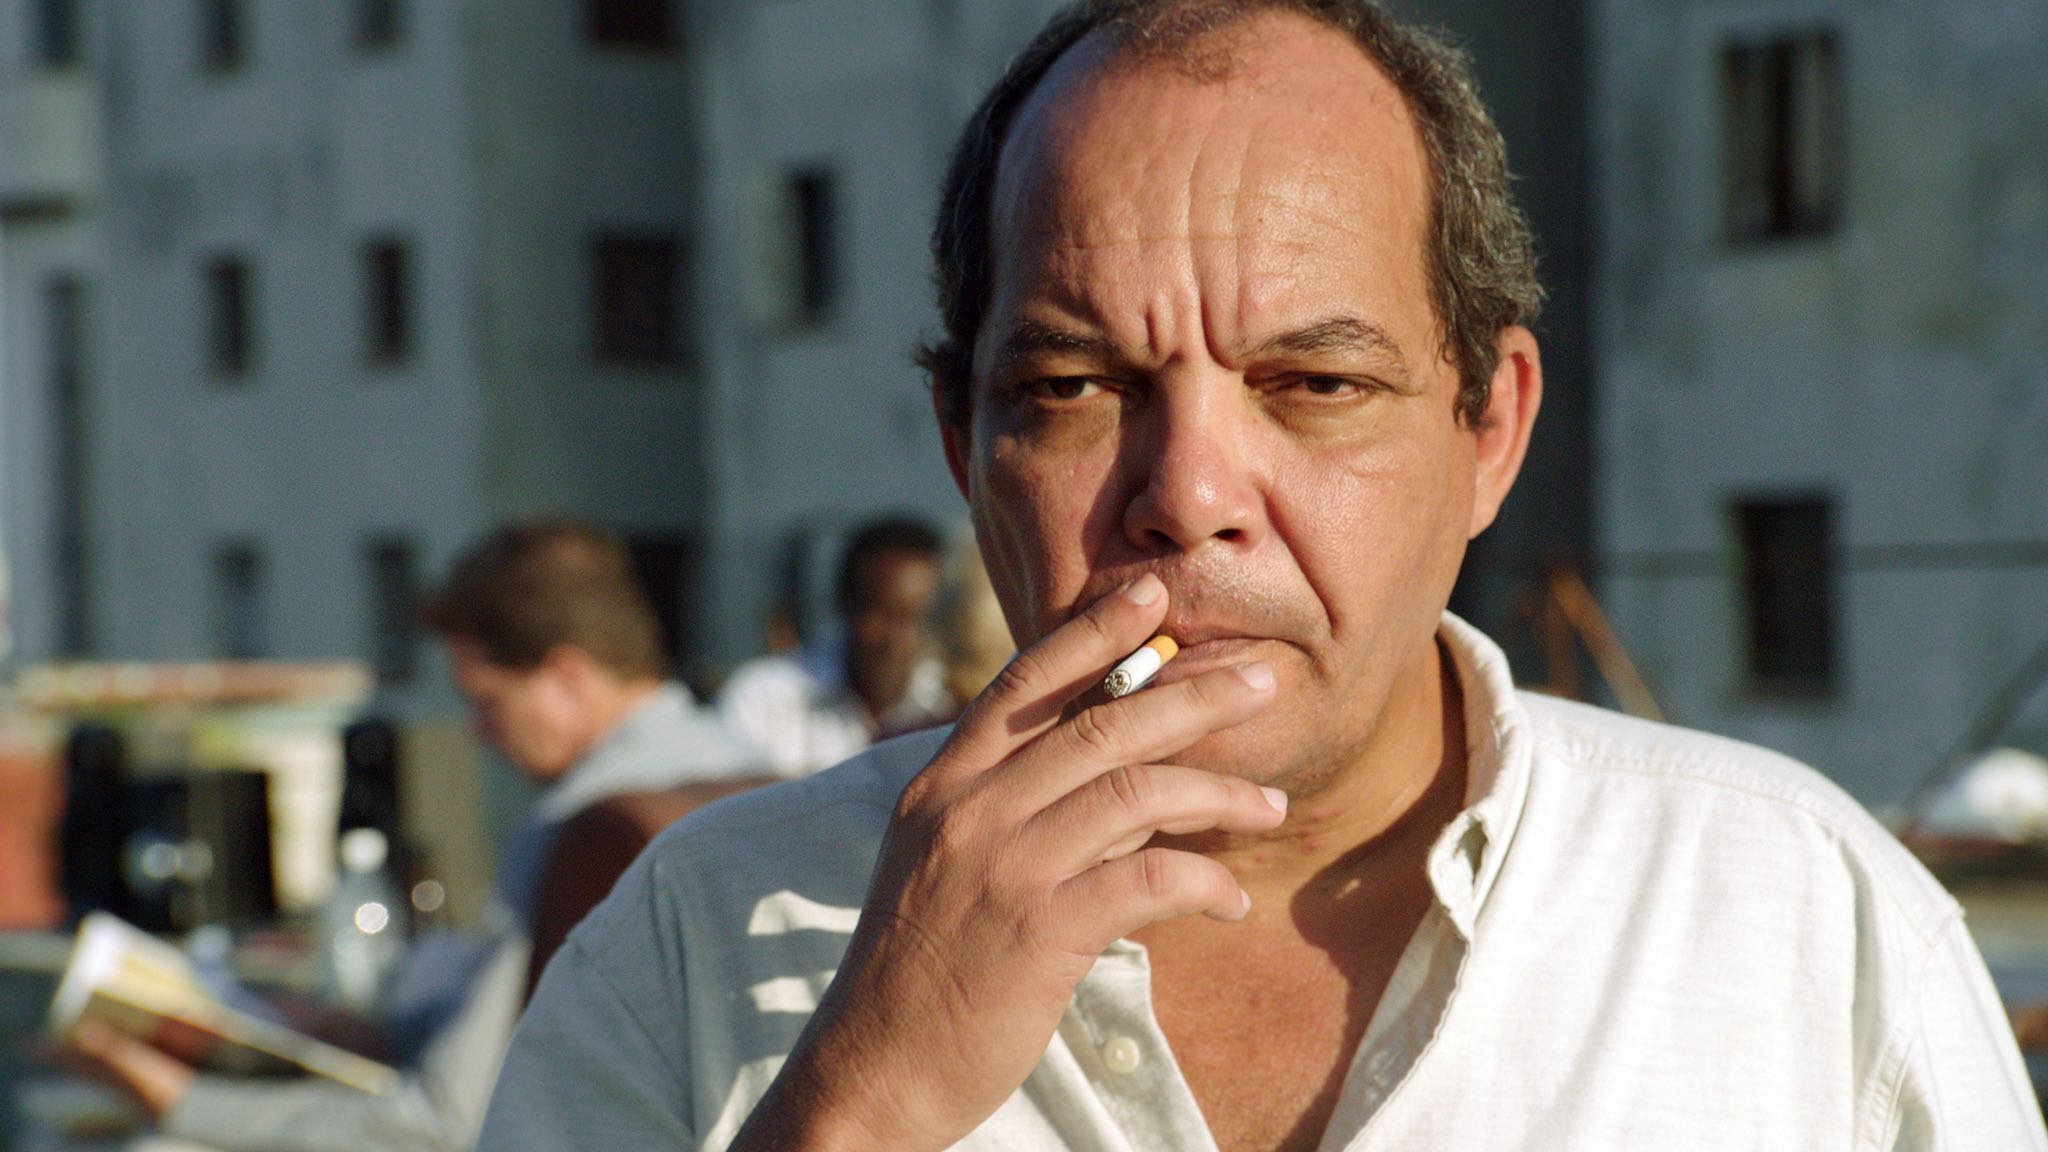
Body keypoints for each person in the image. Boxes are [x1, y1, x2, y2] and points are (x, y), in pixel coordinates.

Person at [480, 3, 2048, 1149]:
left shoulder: (1805, 925)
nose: (1189, 498)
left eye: (1315, 384)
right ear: (965, 448)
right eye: (1074, 388)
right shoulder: (697, 944)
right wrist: (857, 1107)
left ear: (1489, 431)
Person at [68, 519, 764, 1151]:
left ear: (566, 677)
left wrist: (179, 1102)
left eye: (488, 701)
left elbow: (445, 1121)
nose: (479, 732)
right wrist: (364, 1034)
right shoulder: (754, 777)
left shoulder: (592, 829)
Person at [717, 517, 953, 774]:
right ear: (844, 604)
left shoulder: (954, 703)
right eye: (883, 616)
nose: (896, 640)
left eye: (916, 619)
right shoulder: (763, 697)